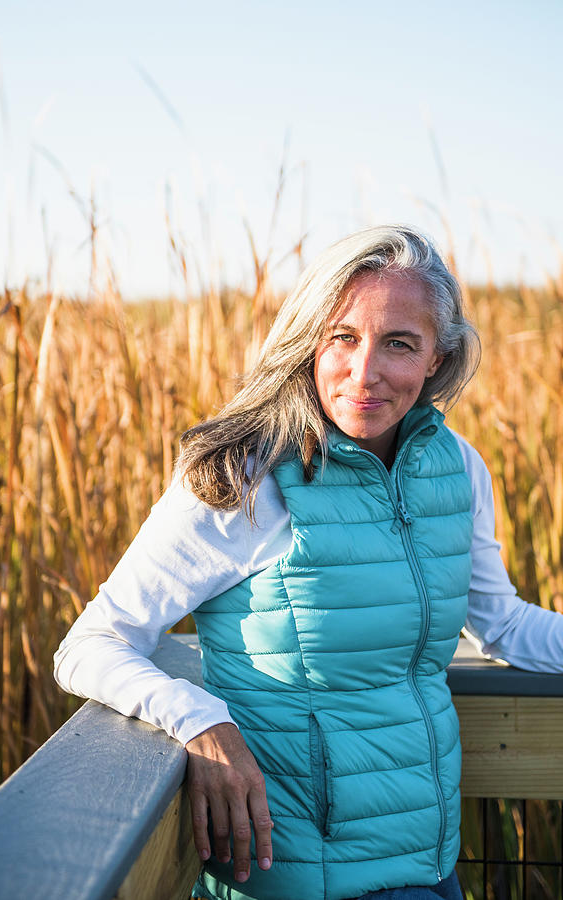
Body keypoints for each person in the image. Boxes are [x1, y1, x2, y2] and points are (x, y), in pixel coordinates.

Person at [54, 225, 563, 900]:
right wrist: (200, 719)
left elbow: (501, 625)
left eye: (399, 344)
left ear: (438, 357)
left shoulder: (456, 468)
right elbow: (90, 644)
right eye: (343, 338)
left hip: (431, 860)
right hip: (303, 873)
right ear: (308, 342)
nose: (365, 372)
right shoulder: (245, 478)